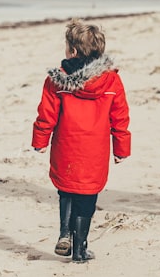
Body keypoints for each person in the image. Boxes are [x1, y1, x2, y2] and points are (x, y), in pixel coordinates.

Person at [32, 20, 131, 262]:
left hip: (66, 146)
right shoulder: (112, 81)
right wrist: (121, 149)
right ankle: (79, 250)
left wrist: (40, 140)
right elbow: (120, 117)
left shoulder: (57, 81)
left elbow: (46, 114)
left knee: (66, 189)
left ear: (73, 51)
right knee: (87, 196)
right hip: (94, 151)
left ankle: (64, 232)